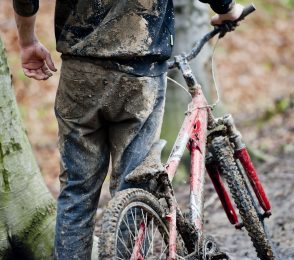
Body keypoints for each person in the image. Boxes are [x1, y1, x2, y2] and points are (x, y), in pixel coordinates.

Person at [12, 0, 243, 258]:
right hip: (140, 71)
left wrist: (27, 41)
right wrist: (226, 8)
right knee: (134, 188)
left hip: (80, 71)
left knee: (77, 190)